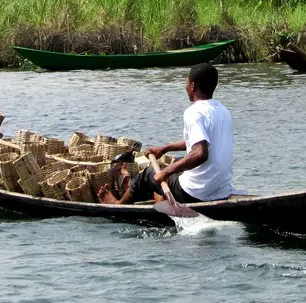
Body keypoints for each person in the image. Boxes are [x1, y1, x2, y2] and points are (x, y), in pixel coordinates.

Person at [98, 63, 235, 205]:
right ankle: (160, 198)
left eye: (186, 82)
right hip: (221, 191)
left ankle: (118, 204)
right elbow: (197, 141)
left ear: (193, 86)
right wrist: (165, 148)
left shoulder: (194, 112)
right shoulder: (222, 111)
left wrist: (166, 173)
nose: (185, 86)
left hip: (195, 194)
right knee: (175, 163)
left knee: (147, 174)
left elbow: (200, 153)